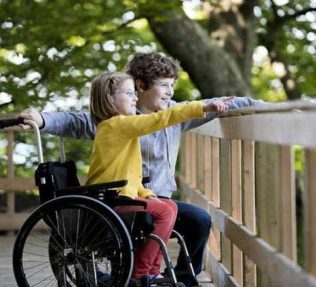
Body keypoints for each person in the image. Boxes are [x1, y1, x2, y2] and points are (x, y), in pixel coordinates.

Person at [20, 52, 267, 286]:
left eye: (172, 85)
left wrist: (265, 107)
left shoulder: (175, 114)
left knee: (199, 219)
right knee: (140, 228)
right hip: (121, 203)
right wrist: (41, 119)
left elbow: (222, 104)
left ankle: (182, 279)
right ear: (140, 85)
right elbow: (72, 121)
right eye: (163, 85)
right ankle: (126, 275)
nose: (170, 92)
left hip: (153, 200)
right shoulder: (115, 118)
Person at [84, 71, 228, 284]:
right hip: (109, 201)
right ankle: (141, 272)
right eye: (128, 93)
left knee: (168, 206)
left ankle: (153, 270)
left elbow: (131, 176)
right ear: (109, 99)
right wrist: (201, 108)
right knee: (164, 211)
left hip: (121, 195)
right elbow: (161, 118)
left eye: (135, 93)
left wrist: (148, 194)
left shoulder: (122, 128)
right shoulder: (116, 125)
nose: (134, 98)